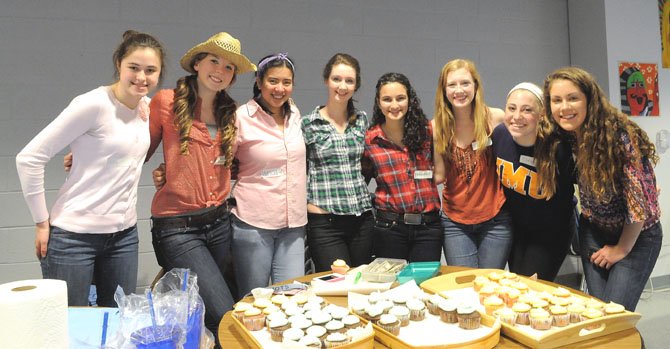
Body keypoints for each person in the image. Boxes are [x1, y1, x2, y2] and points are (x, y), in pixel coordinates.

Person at [16, 30, 166, 306]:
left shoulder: (147, 108)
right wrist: (40, 221)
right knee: (70, 325)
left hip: (123, 237)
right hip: (74, 237)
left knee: (118, 323)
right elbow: (29, 158)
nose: (141, 77)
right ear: (119, 63)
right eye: (134, 67)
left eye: (150, 70)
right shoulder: (93, 104)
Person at [146, 32, 256, 338]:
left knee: (203, 310)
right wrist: (91, 153)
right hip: (177, 228)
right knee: (224, 312)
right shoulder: (166, 102)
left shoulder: (229, 112)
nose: (220, 70)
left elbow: (224, 164)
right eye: (214, 61)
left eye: (229, 67)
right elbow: (136, 149)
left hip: (220, 223)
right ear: (197, 63)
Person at [542, 66, 662, 311]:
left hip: (636, 236)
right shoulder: (565, 135)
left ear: (589, 99)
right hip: (594, 231)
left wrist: (621, 249)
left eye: (572, 98)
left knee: (614, 314)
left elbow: (638, 205)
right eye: (557, 100)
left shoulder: (619, 136)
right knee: (600, 312)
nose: (564, 107)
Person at [230, 53, 307, 297]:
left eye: (287, 82)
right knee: (254, 299)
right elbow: (221, 164)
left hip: (293, 225)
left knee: (291, 297)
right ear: (259, 81)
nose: (280, 89)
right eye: (273, 81)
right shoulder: (241, 117)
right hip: (254, 223)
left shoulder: (294, 113)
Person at [491, 82, 576, 281]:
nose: (517, 117)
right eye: (511, 108)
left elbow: (592, 181)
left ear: (541, 114)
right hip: (516, 228)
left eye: (527, 110)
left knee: (532, 288)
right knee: (518, 284)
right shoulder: (500, 135)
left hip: (550, 232)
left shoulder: (558, 147)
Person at [432, 58, 512, 269]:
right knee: (464, 287)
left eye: (465, 83)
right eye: (452, 85)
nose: (459, 90)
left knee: (490, 287)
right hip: (455, 222)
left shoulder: (495, 118)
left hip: (495, 219)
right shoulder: (436, 127)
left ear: (475, 86)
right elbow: (439, 175)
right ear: (444, 90)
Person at [301, 53, 374, 272]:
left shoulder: (361, 121)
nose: (342, 86)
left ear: (356, 85)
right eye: (337, 79)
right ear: (326, 80)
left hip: (361, 219)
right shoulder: (308, 124)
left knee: (362, 287)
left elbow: (367, 165)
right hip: (325, 222)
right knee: (336, 287)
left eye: (349, 81)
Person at [362, 72, 442, 262]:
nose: (395, 105)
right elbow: (360, 182)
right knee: (391, 288)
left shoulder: (427, 131)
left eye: (400, 98)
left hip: (428, 228)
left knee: (425, 286)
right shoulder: (370, 140)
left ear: (410, 99)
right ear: (379, 102)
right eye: (387, 99)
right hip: (389, 227)